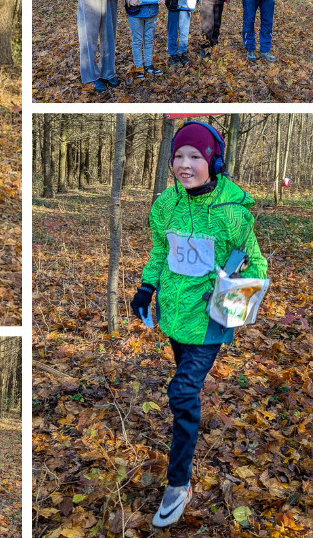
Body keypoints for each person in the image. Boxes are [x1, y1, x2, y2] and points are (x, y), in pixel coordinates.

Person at [130, 122, 268, 528]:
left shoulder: (234, 214)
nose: (184, 165)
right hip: (175, 316)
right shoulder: (165, 205)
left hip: (210, 321)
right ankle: (188, 415)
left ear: (214, 161)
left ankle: (179, 483)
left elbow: (257, 264)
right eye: (178, 156)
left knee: (181, 391)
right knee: (185, 395)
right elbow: (160, 249)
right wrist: (146, 287)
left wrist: (234, 295)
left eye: (195, 157)